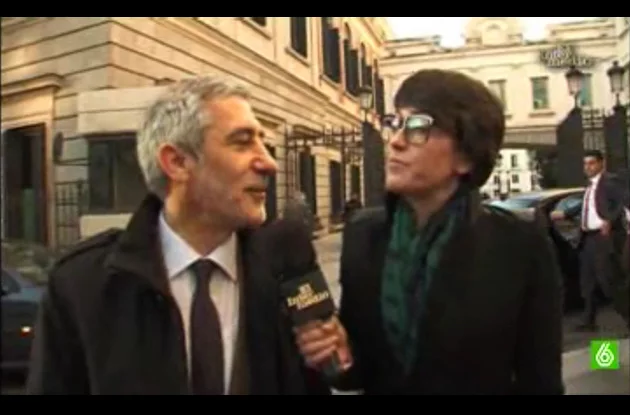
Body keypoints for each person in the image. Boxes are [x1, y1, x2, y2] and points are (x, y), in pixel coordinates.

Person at [27, 76, 329, 395]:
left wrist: (337, 357)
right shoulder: (81, 286)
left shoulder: (283, 268)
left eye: (262, 143)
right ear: (177, 162)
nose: (269, 163)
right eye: (242, 143)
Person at [294, 69, 564, 395]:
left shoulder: (518, 244)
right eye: (396, 123)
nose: (395, 141)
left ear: (465, 157)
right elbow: (361, 373)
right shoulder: (363, 235)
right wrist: (339, 355)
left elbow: (542, 381)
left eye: (418, 128)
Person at [550, 150, 628, 329]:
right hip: (587, 238)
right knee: (587, 282)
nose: (588, 167)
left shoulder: (610, 182)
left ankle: (627, 316)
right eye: (585, 164)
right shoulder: (590, 186)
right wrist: (565, 213)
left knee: (608, 281)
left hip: (603, 238)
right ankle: (588, 321)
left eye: (592, 163)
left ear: (601, 164)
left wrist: (610, 220)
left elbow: (623, 202)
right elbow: (585, 206)